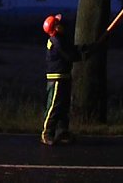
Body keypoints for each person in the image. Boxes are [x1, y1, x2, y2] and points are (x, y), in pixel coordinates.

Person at [40, 13, 98, 146]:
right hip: (57, 79)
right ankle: (47, 134)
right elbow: (71, 55)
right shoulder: (57, 41)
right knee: (54, 107)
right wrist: (86, 55)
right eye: (59, 23)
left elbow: (74, 49)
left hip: (64, 77)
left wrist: (88, 47)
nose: (62, 24)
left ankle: (62, 132)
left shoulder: (61, 39)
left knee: (63, 107)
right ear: (56, 28)